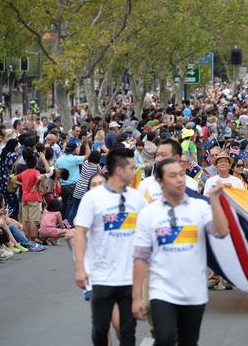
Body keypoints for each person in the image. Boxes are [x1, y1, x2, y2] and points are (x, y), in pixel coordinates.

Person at [131, 158, 229, 346]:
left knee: (188, 341)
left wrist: (215, 200)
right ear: (160, 181)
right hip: (162, 290)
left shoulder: (199, 207)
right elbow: (141, 257)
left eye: (182, 174)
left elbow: (221, 231)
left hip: (194, 291)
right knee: (166, 338)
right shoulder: (149, 213)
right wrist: (136, 298)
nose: (179, 179)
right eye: (172, 175)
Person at [73, 147, 147, 346]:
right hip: (101, 278)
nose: (136, 171)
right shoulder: (93, 198)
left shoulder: (137, 198)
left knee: (127, 332)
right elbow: (79, 233)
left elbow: (148, 233)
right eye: (132, 167)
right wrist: (80, 268)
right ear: (119, 170)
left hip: (129, 278)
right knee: (100, 330)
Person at [138, 139, 197, 203]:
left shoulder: (192, 184)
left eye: (163, 155)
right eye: (157, 155)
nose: (158, 159)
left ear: (176, 158)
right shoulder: (145, 184)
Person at [56, 140, 91, 219]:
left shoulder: (59, 159)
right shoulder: (74, 159)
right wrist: (86, 144)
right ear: (74, 150)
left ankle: (62, 222)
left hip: (63, 186)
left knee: (64, 204)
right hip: (73, 185)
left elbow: (56, 172)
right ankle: (67, 224)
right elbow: (88, 155)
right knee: (70, 206)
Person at [68, 150, 102, 225]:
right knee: (85, 209)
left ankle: (69, 224)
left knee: (74, 208)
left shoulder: (85, 163)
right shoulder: (97, 167)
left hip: (78, 188)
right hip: (87, 191)